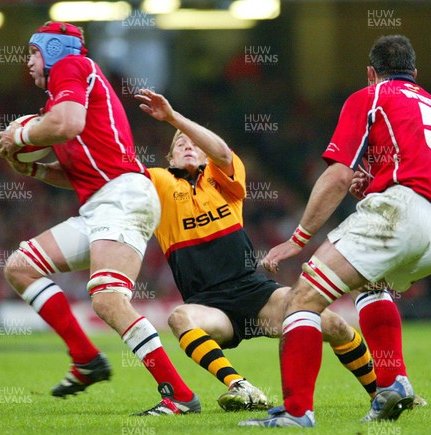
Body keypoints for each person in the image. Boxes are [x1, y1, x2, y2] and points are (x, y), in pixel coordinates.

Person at [240, 35, 431, 428]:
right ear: (415, 74)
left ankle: (296, 412)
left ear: (372, 73)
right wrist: (376, 185)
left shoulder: (370, 96)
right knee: (372, 285)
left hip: (400, 214)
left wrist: (296, 240)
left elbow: (337, 175)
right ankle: (391, 384)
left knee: (304, 297)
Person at [0, 21, 200, 416]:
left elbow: (66, 125)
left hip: (123, 197)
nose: (28, 62)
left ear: (54, 50)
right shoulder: (60, 101)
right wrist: (34, 171)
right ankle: (86, 358)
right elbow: (77, 173)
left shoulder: (72, 67)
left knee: (108, 298)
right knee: (20, 267)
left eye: (33, 53)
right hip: (102, 202)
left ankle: (179, 394)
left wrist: (19, 138)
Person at [134, 88, 378, 411]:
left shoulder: (223, 177)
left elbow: (220, 151)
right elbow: (117, 173)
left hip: (255, 293)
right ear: (170, 158)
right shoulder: (159, 183)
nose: (188, 146)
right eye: (180, 143)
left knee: (332, 324)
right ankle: (242, 387)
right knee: (180, 317)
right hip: (211, 307)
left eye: (194, 142)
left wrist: (173, 118)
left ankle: (381, 393)